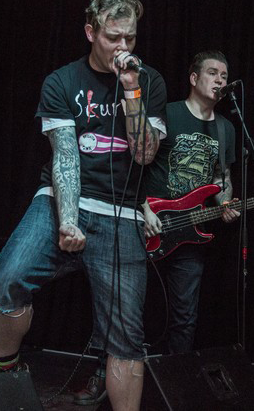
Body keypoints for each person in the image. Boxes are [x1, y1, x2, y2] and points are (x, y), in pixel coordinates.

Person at [0, 0, 166, 411]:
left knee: (126, 338)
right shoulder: (62, 82)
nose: (122, 47)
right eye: (113, 37)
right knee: (8, 279)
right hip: (61, 199)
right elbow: (65, 157)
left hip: (120, 213)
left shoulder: (149, 81)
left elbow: (144, 154)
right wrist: (68, 221)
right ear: (90, 32)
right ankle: (7, 374)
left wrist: (132, 90)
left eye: (130, 37)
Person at [73, 50, 239, 406]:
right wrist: (143, 207)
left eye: (225, 76)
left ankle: (176, 386)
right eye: (213, 72)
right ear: (194, 78)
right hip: (144, 224)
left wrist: (225, 203)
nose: (220, 80)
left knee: (185, 317)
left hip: (190, 238)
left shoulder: (226, 129)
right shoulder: (170, 113)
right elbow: (135, 163)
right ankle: (103, 376)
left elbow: (221, 178)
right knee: (118, 308)